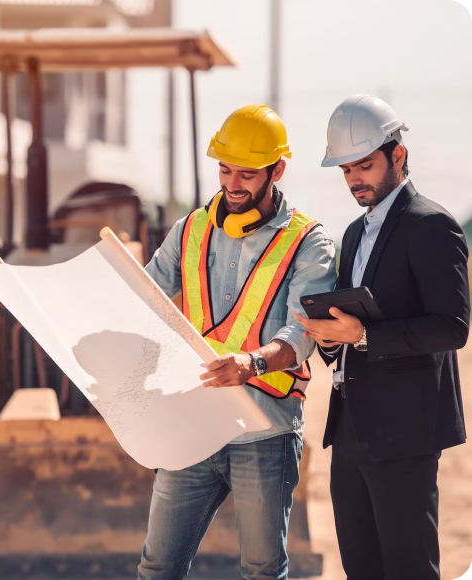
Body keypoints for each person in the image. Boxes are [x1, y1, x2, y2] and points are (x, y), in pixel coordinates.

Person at [137, 104, 336, 580]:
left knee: (263, 571)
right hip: (193, 423)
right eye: (225, 170)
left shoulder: (308, 243)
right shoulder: (189, 230)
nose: (232, 183)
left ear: (277, 170)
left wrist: (251, 363)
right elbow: (142, 299)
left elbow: (302, 332)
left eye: (247, 173)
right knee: (157, 567)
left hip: (264, 432)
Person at [296, 94, 470, 580]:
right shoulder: (352, 234)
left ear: (398, 156)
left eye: (364, 165)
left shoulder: (432, 225)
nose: (354, 179)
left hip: (406, 434)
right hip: (351, 430)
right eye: (346, 169)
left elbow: (453, 327)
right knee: (361, 569)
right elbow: (352, 331)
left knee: (409, 569)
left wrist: (366, 335)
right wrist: (331, 338)